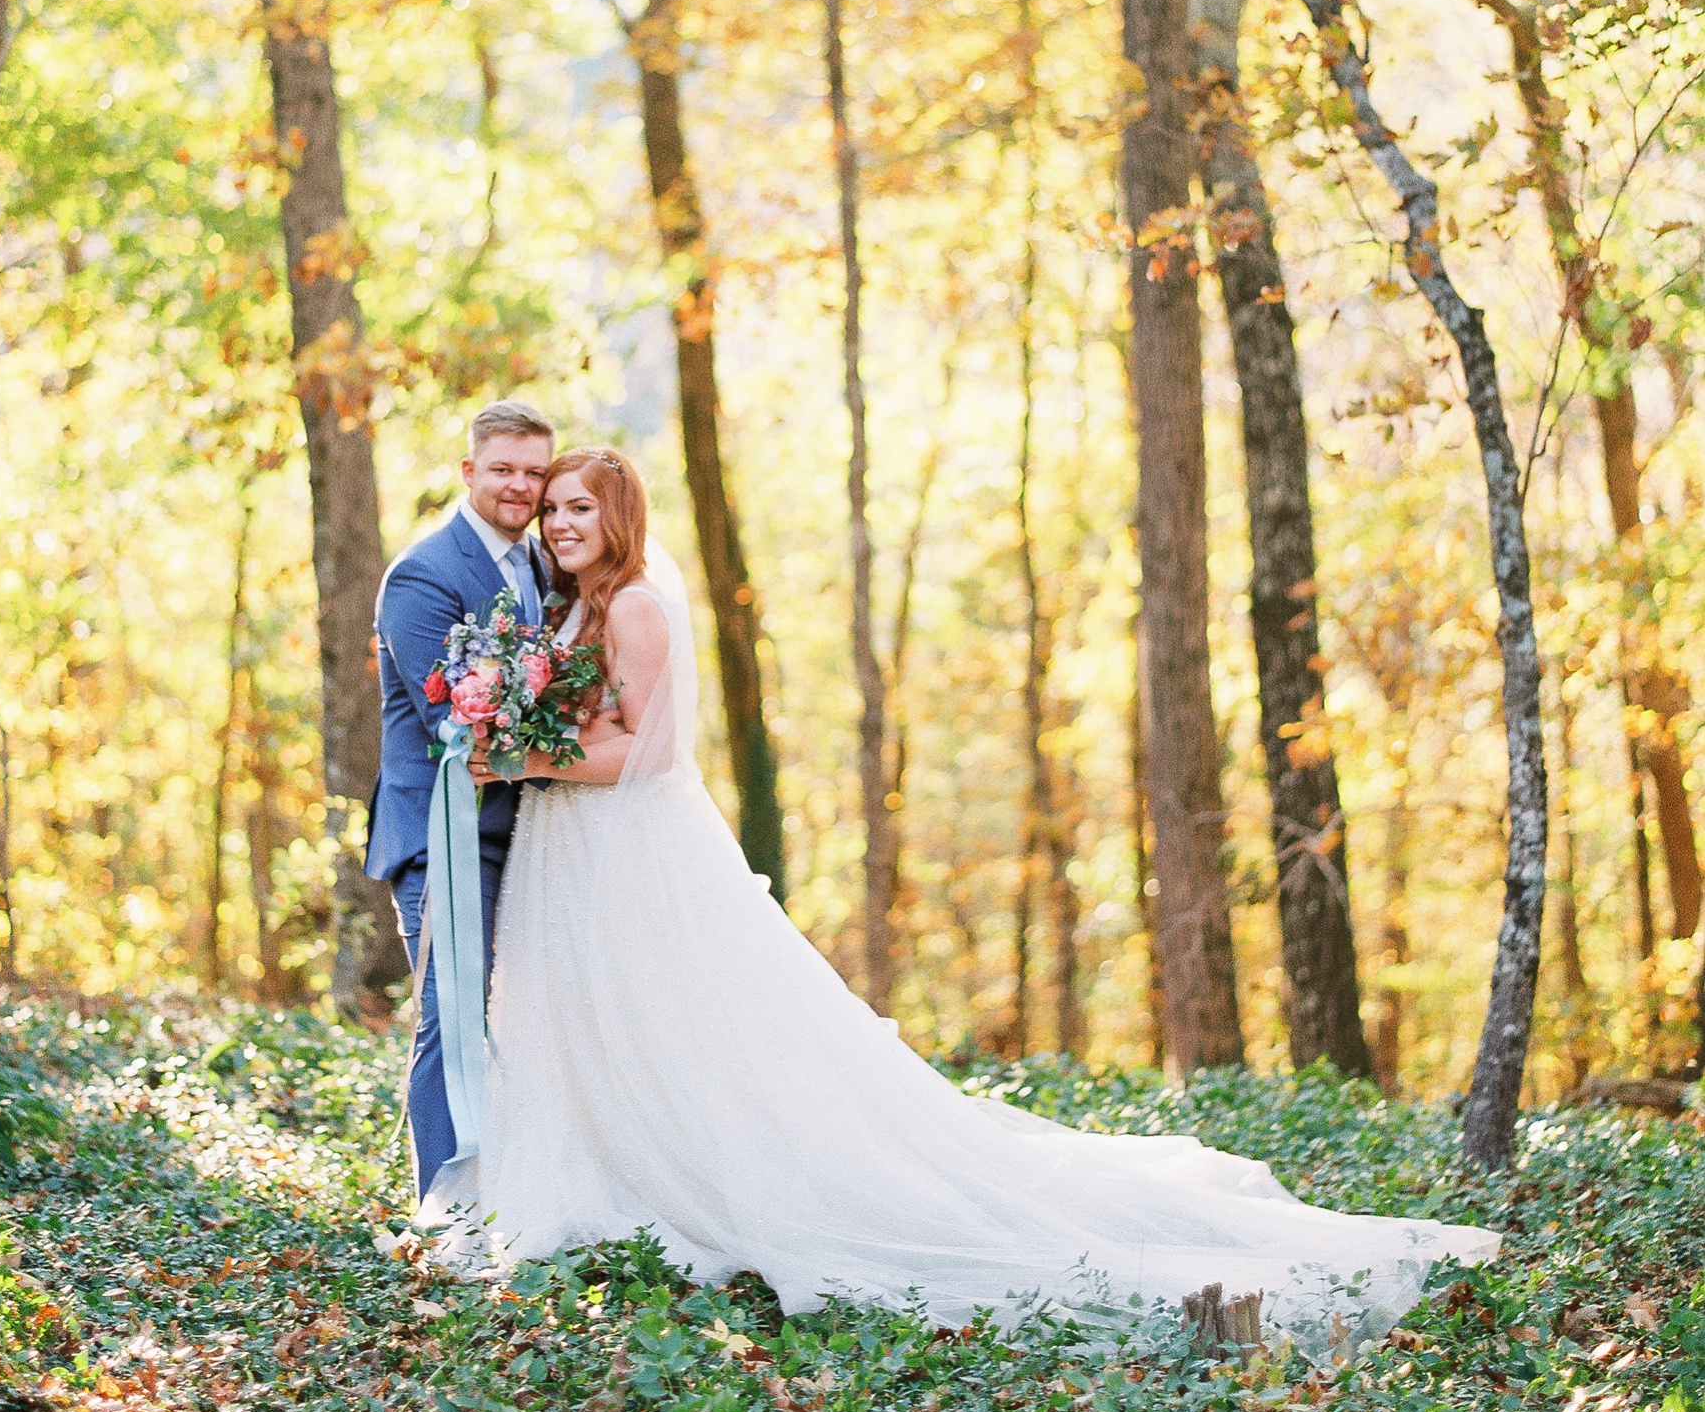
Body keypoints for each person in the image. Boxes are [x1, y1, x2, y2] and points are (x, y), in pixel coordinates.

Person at [426, 444, 1499, 1341]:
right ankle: (605, 1170)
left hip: (628, 844)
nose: (562, 522)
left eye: (580, 506)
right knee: (595, 1017)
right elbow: (585, 728)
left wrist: (518, 761)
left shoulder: (642, 612)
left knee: (672, 1018)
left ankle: (688, 1177)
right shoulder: (570, 608)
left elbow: (647, 759)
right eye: (553, 507)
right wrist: (518, 739)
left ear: (620, 516)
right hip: (573, 851)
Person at [370, 397, 553, 1198]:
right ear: (469, 470)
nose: (520, 485)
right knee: (454, 1021)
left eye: (535, 472)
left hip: (531, 830)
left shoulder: (544, 565)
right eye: (504, 468)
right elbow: (458, 730)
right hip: (444, 832)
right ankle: (445, 1213)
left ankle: (521, 1189)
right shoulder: (424, 574)